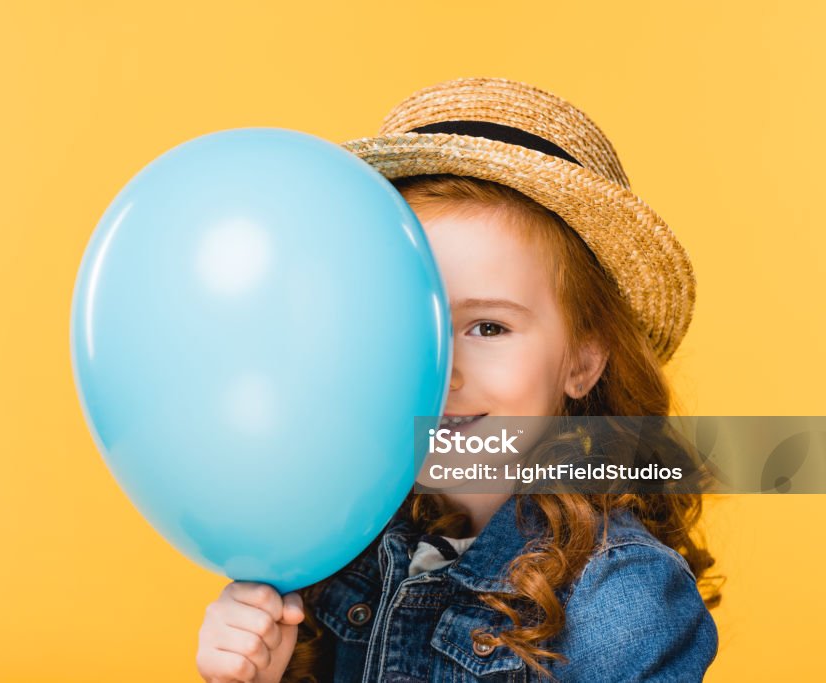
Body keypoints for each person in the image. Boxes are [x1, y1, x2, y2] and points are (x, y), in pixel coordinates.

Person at [195, 77, 721, 682]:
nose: (441, 372)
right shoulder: (340, 544)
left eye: (489, 328)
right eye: (411, 323)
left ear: (582, 361)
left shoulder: (620, 599)